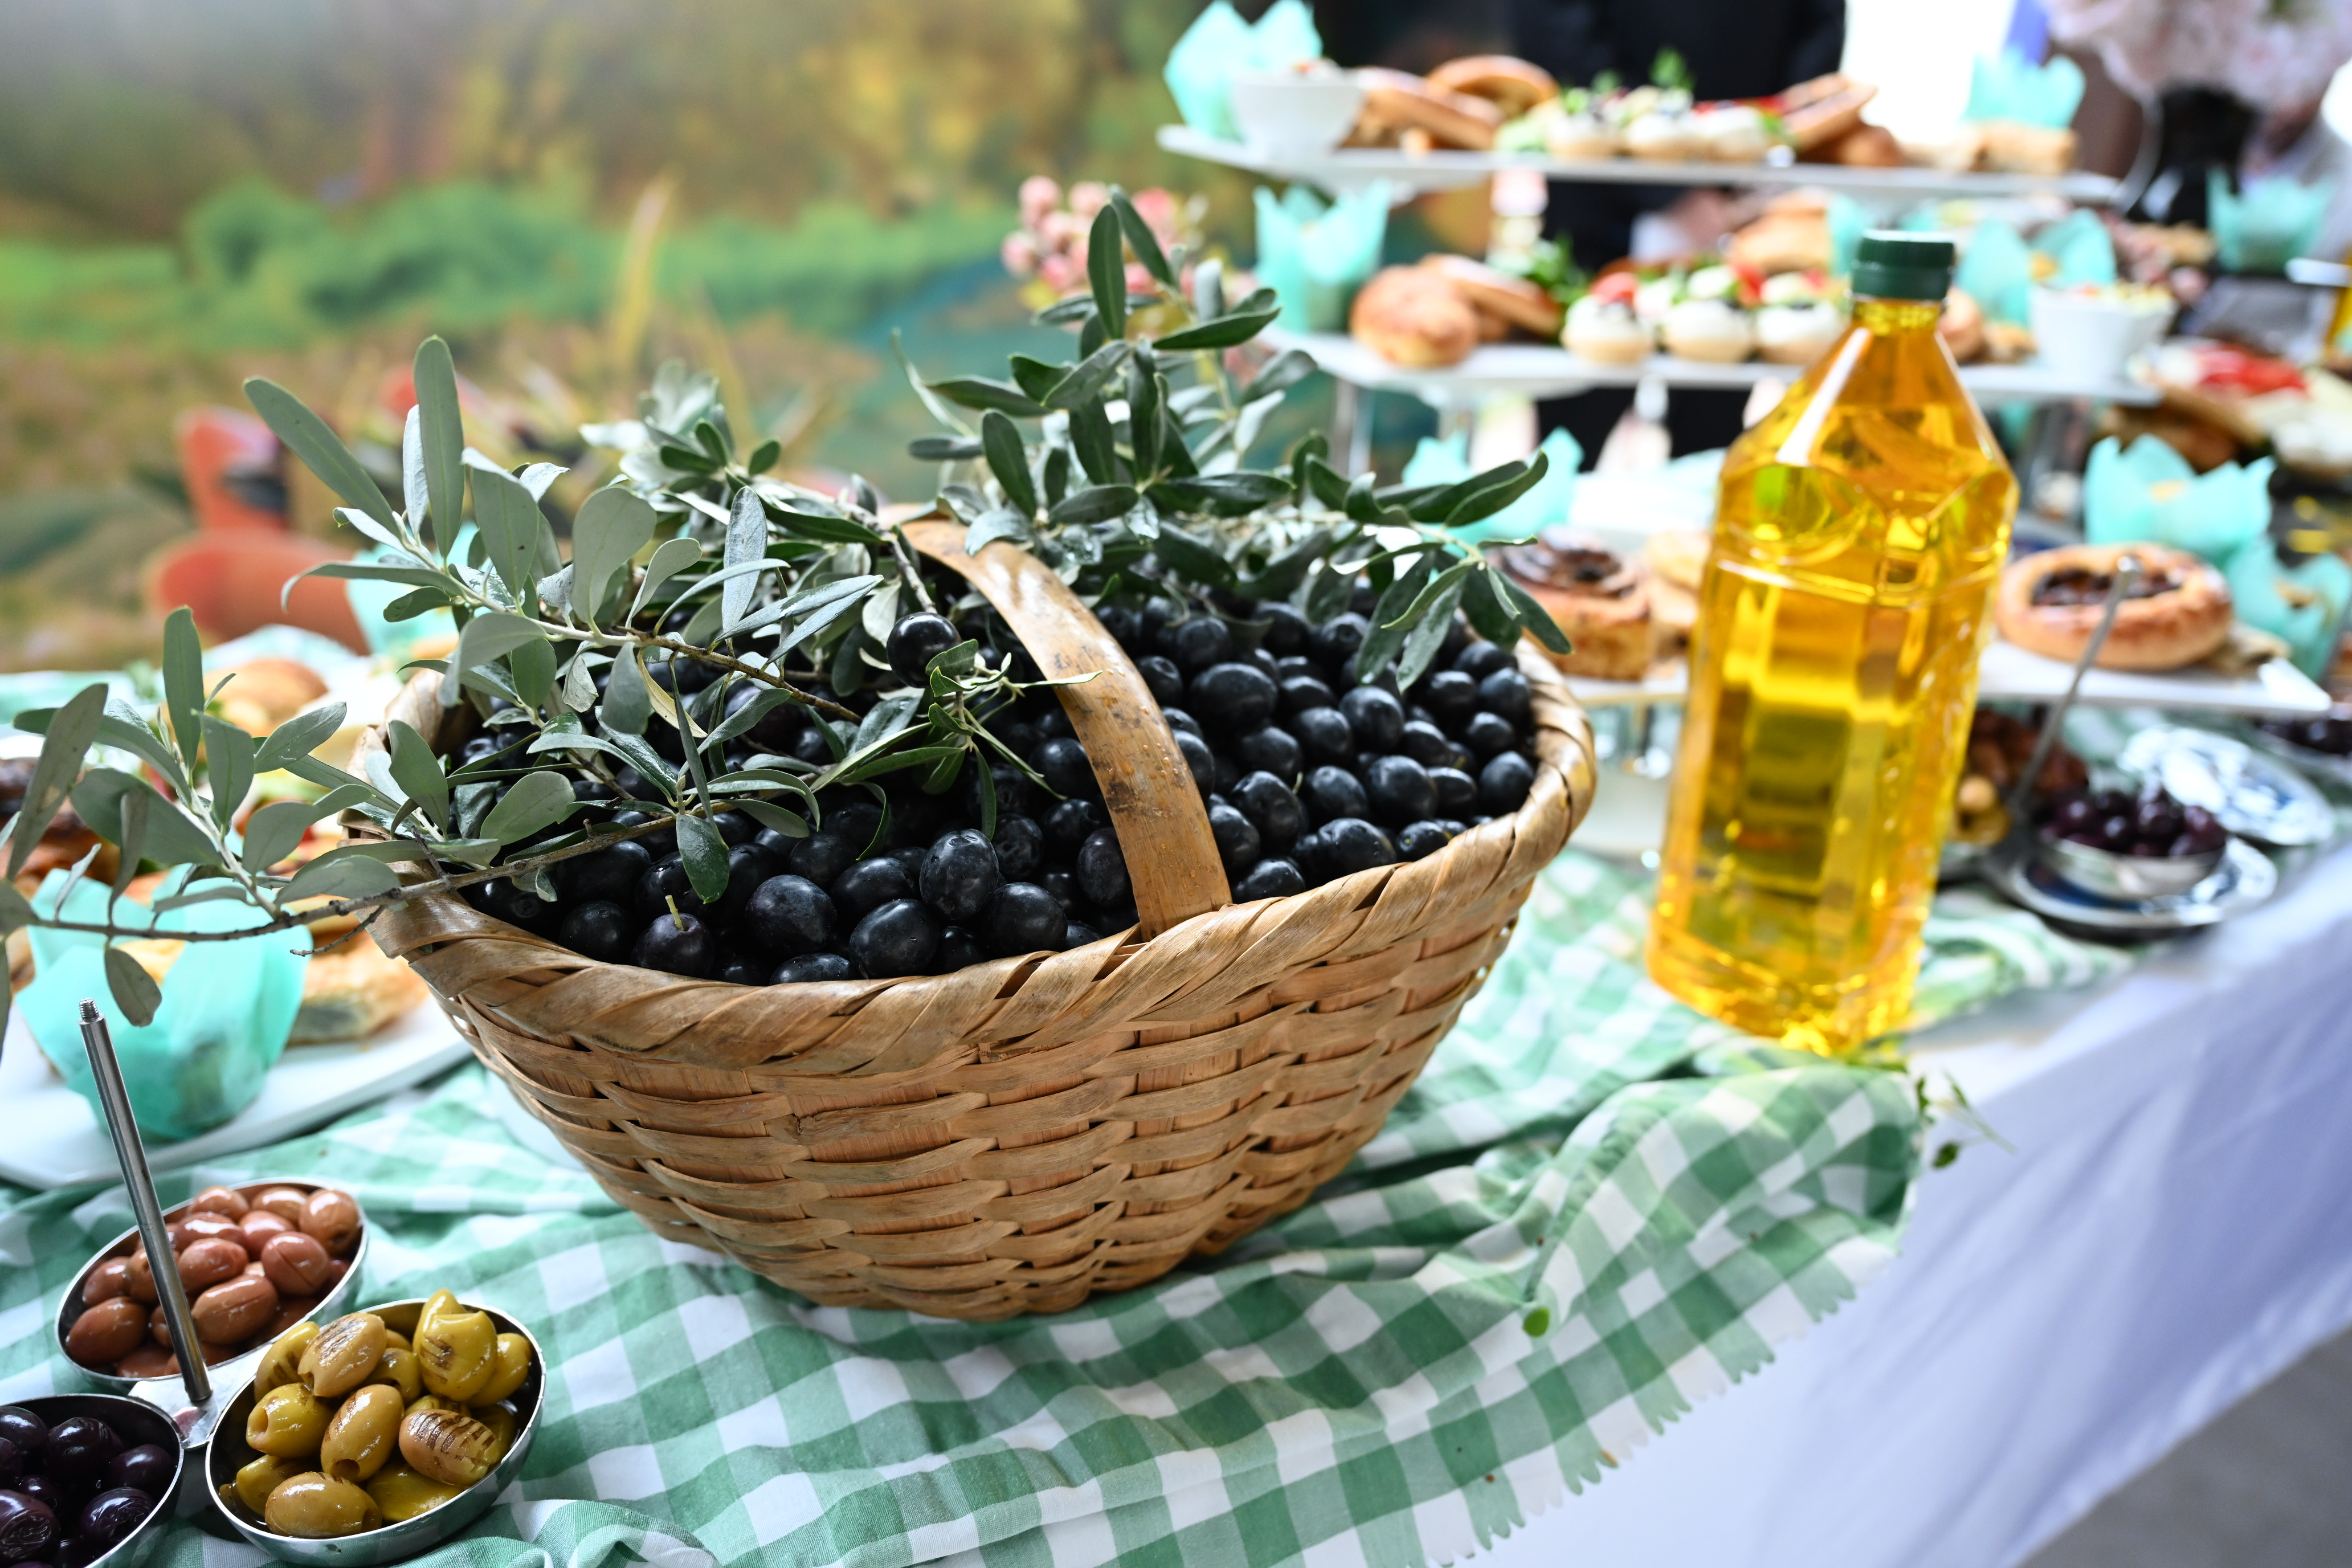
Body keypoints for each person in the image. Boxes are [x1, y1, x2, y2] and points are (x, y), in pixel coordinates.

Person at [1507, 0, 1847, 463]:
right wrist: (1663, 179)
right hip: (1598, 196)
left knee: (1708, 446)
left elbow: (1819, 25)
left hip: (1740, 199)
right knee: (1567, 446)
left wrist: (1760, 147)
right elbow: (1553, 22)